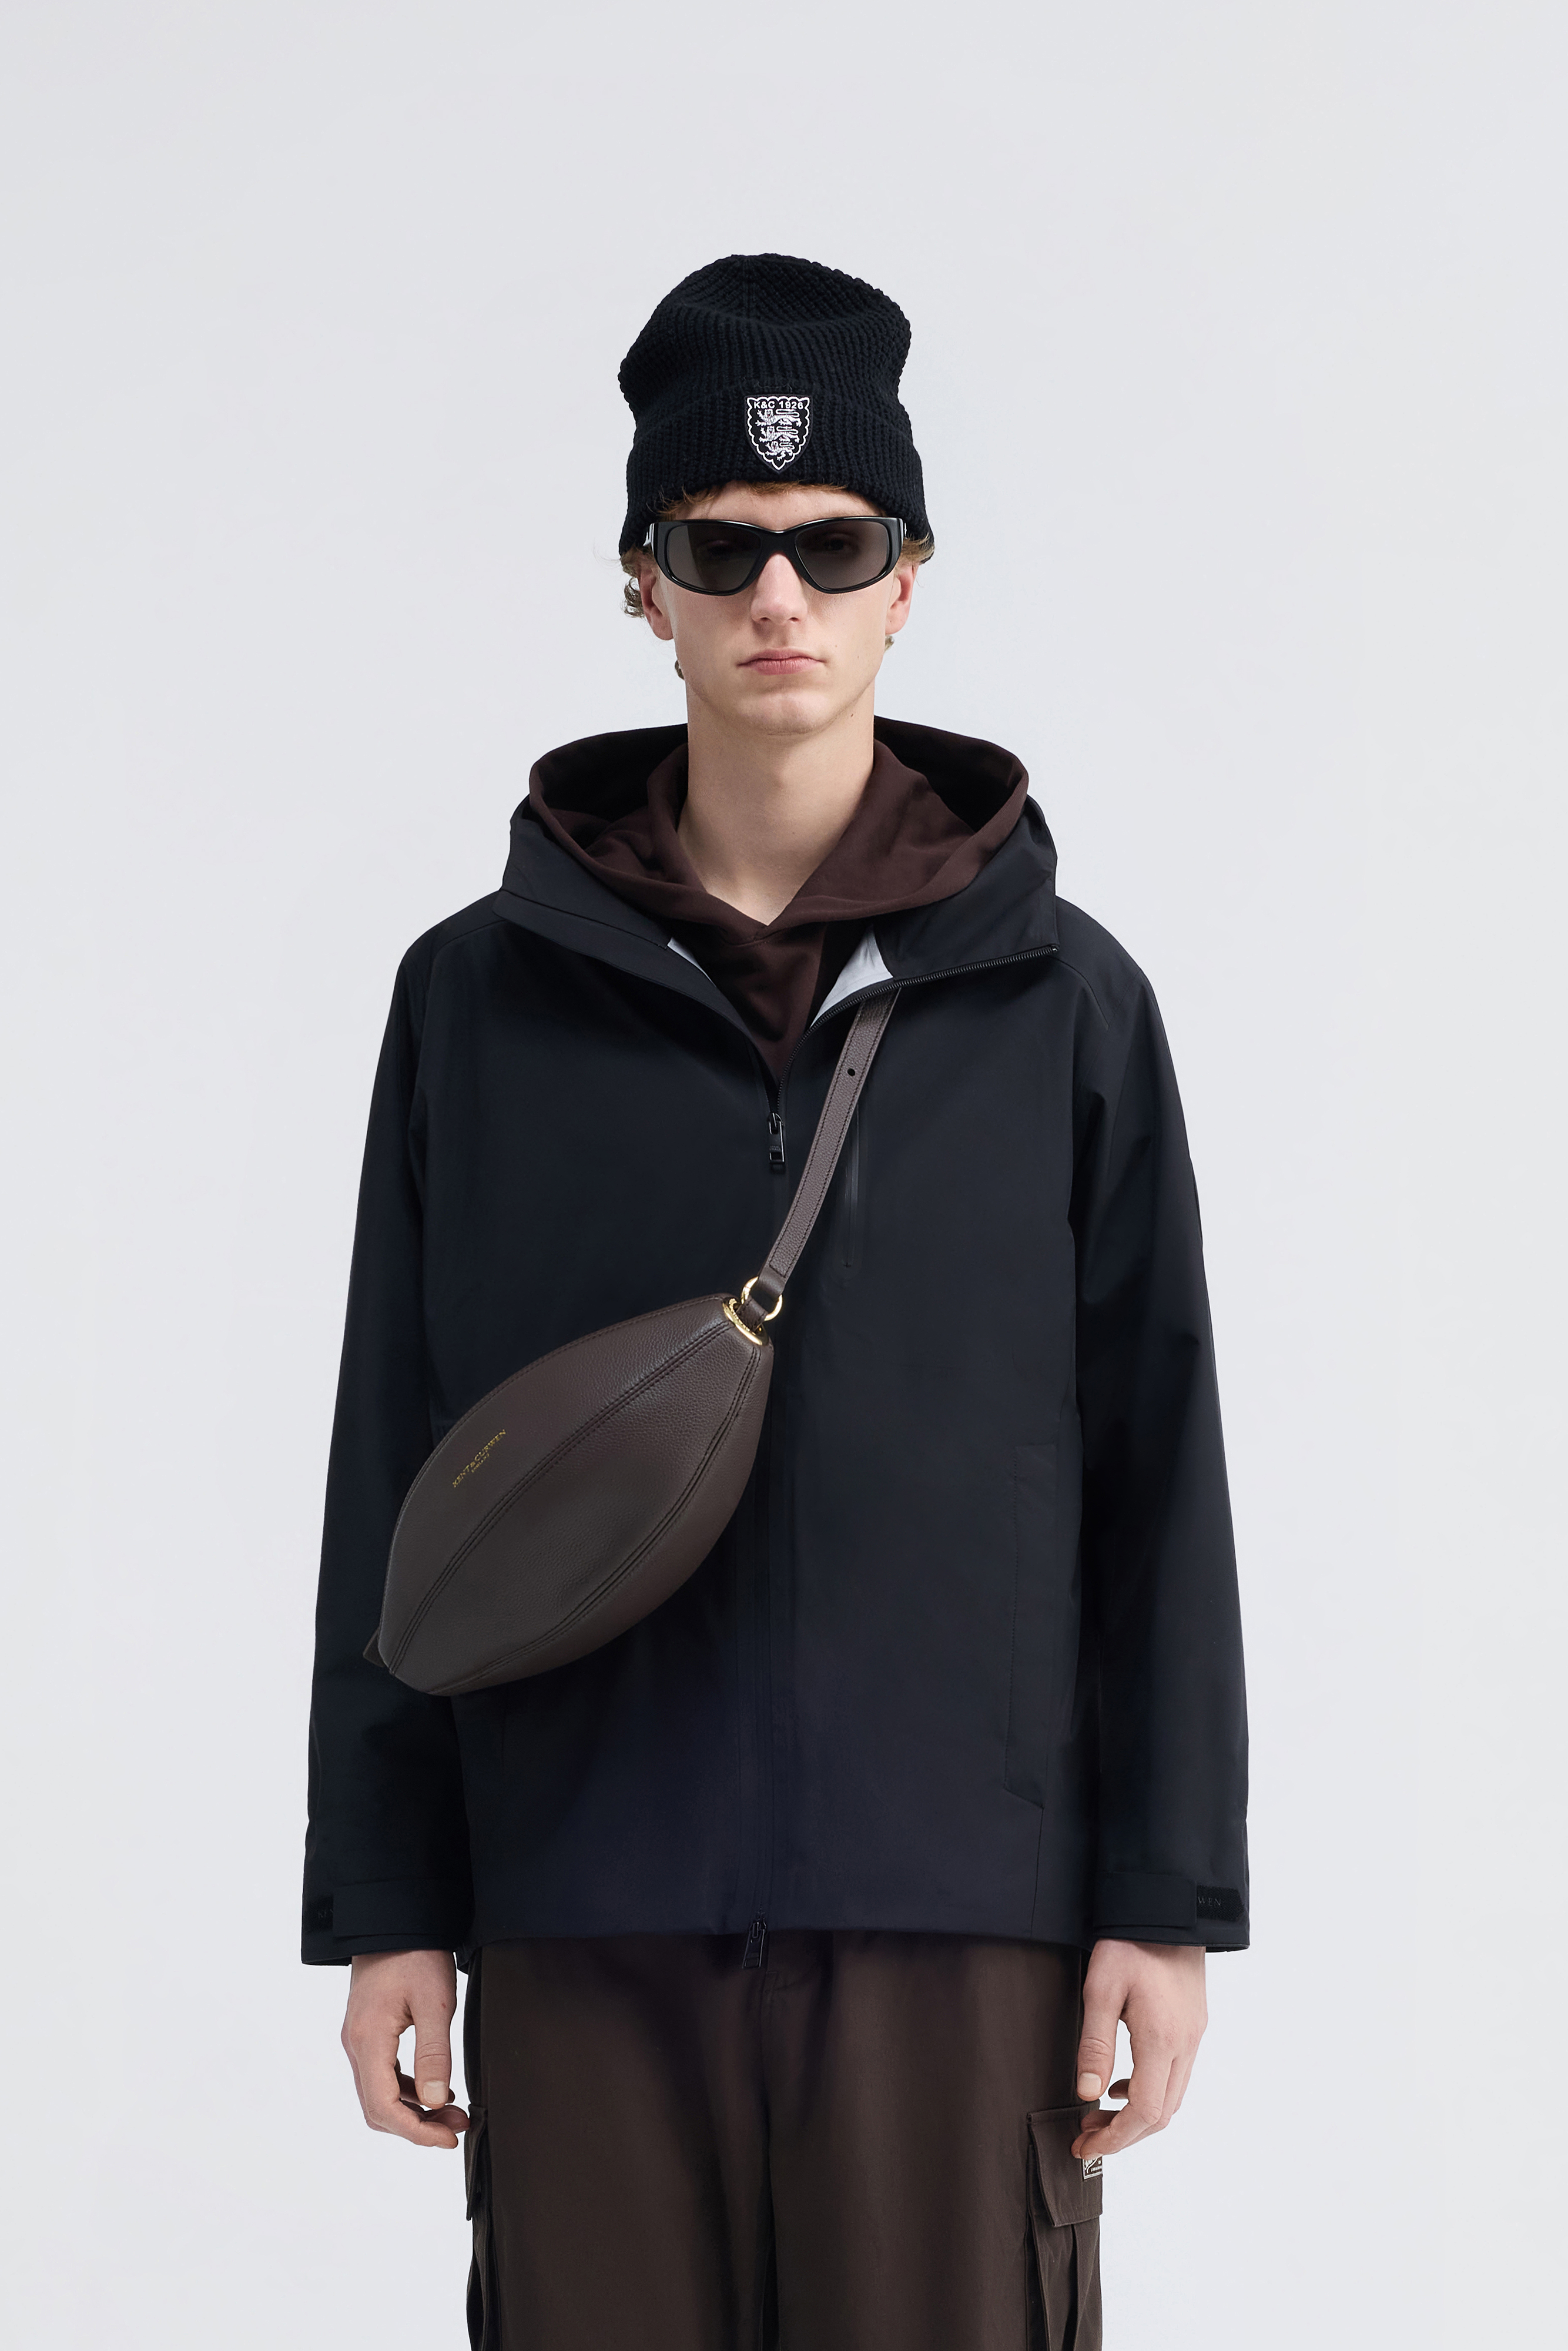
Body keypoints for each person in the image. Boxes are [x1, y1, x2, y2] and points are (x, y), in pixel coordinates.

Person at [304, 252, 1249, 2351]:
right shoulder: (476, 1000)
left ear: (908, 577)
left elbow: (1153, 1461)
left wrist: (1161, 1902)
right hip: (581, 1901)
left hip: (958, 1918)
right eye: (717, 548)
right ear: (640, 585)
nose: (777, 598)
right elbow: (402, 1459)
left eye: (832, 544)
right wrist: (390, 1904)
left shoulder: (1062, 1005)